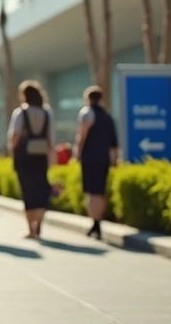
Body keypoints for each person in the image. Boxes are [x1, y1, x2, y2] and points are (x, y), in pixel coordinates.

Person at [9, 81, 55, 239]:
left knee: (28, 192)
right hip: (41, 156)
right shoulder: (47, 112)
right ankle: (39, 225)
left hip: (24, 157)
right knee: (41, 191)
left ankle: (31, 229)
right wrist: (52, 157)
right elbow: (51, 137)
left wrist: (13, 154)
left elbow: (14, 136)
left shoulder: (20, 112)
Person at [75, 86, 119, 240]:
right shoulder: (107, 115)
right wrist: (114, 159)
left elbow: (82, 136)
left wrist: (78, 153)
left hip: (90, 158)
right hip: (103, 158)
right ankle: (97, 222)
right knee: (100, 190)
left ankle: (95, 222)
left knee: (91, 191)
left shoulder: (87, 113)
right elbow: (114, 142)